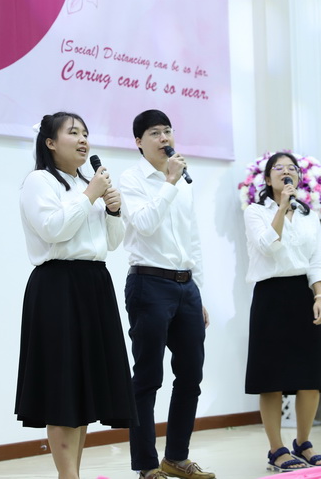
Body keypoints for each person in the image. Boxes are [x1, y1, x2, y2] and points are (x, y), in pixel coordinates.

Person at [15, 112, 137, 479]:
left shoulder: (87, 183)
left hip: (94, 285)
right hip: (58, 288)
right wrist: (91, 195)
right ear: (50, 142)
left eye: (85, 133)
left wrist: (113, 210)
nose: (83, 140)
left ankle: (73, 475)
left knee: (83, 391)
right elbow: (54, 229)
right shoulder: (39, 181)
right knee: (63, 391)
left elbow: (113, 242)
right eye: (73, 133)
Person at [119, 109, 214, 479]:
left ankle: (176, 458)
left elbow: (193, 239)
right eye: (155, 133)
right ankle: (145, 465)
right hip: (149, 284)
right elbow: (143, 223)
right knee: (147, 377)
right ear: (139, 142)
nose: (164, 139)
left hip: (185, 286)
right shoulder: (131, 179)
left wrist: (198, 290)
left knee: (191, 375)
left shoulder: (183, 181)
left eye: (168, 131)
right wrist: (169, 183)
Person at [244, 151, 321, 472]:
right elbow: (267, 245)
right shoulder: (255, 212)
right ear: (268, 179)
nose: (286, 172)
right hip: (270, 296)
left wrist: (319, 295)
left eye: (291, 168)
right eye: (278, 168)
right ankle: (276, 448)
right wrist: (281, 207)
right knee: (271, 378)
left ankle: (303, 442)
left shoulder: (309, 216)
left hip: (302, 295)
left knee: (309, 377)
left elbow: (317, 259)